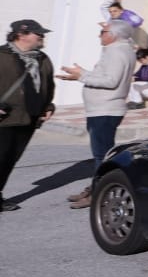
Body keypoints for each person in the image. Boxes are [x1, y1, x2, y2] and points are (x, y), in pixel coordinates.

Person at [58, 19, 138, 184]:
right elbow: (106, 76)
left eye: (103, 32)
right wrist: (82, 73)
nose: (99, 35)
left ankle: (100, 189)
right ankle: (97, 187)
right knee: (102, 153)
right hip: (103, 108)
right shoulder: (120, 49)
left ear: (113, 35)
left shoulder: (116, 52)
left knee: (102, 155)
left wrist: (81, 76)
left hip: (105, 109)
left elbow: (110, 81)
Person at [0, 19, 56, 212]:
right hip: (4, 120)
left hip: (29, 118)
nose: (42, 36)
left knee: (10, 160)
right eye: (37, 33)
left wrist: (48, 105)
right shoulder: (1, 56)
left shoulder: (42, 58)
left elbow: (48, 84)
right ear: (21, 35)